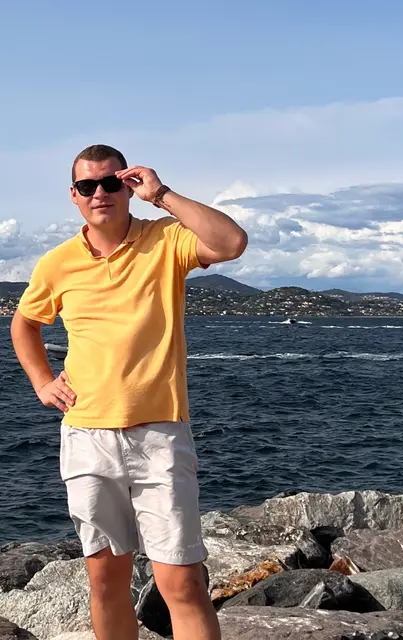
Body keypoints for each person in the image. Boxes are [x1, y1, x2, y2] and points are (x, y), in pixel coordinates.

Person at [10, 144, 248, 640]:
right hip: (87, 436)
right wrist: (42, 382)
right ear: (74, 195)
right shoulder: (57, 263)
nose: (100, 193)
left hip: (159, 435)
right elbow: (24, 324)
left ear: (127, 186)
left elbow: (230, 243)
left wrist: (161, 194)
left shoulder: (165, 239)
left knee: (182, 582)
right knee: (104, 580)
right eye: (87, 186)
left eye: (111, 182)